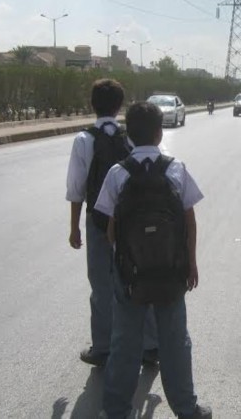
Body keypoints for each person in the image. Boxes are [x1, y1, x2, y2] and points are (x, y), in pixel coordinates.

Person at [93, 102, 211, 419]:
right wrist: (191, 262)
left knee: (124, 342)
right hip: (172, 271)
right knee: (175, 342)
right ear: (160, 134)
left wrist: (125, 259)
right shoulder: (176, 169)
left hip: (130, 274)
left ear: (128, 135)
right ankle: (187, 409)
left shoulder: (118, 173)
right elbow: (189, 221)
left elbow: (110, 228)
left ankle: (116, 410)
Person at [66, 78, 157, 367]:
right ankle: (150, 345)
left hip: (97, 219)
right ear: (120, 105)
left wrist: (74, 227)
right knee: (140, 277)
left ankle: (103, 347)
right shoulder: (130, 137)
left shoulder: (84, 139)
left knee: (101, 284)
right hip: (130, 221)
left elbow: (76, 188)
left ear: (92, 104)